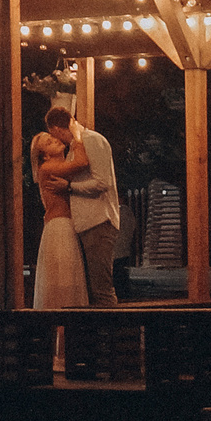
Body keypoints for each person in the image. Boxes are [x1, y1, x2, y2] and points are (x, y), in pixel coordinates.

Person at [30, 107, 91, 309]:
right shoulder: (48, 168)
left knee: (68, 276)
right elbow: (82, 162)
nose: (55, 141)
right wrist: (77, 136)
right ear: (45, 156)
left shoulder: (60, 164)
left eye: (52, 138)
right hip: (60, 226)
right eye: (49, 143)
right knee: (64, 277)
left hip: (65, 224)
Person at [61, 113, 124, 305]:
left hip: (98, 221)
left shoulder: (92, 140)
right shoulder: (76, 146)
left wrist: (70, 187)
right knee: (92, 289)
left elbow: (102, 182)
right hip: (86, 223)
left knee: (101, 287)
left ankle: (110, 321)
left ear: (57, 129)